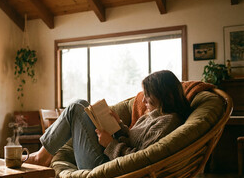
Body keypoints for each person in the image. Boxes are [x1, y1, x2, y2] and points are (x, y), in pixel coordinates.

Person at [27, 70, 191, 169]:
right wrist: (119, 126)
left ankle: (41, 157)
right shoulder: (156, 116)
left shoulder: (167, 122)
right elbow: (135, 142)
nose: (143, 101)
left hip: (106, 167)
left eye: (148, 95)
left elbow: (139, 160)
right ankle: (43, 155)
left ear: (166, 96)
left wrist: (110, 144)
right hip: (109, 161)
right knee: (82, 105)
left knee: (77, 106)